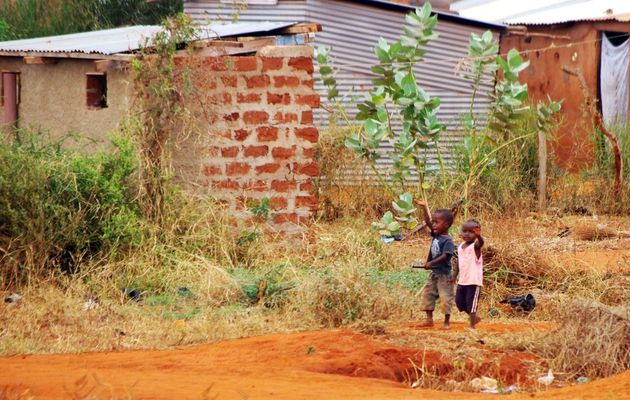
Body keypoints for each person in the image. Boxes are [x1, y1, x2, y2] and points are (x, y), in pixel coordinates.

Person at [412, 200, 456, 329]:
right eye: (434, 222)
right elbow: (427, 222)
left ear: (446, 224)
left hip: (444, 276)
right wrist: (425, 207)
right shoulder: (436, 234)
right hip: (434, 274)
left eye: (437, 222)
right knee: (428, 294)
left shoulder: (448, 241)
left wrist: (431, 262)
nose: (434, 225)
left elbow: (445, 256)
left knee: (445, 298)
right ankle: (429, 319)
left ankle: (446, 321)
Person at [454, 219, 484, 329]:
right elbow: (458, 262)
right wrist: (454, 275)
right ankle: (474, 318)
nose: (467, 234)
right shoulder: (461, 246)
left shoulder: (475, 247)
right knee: (459, 303)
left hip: (473, 281)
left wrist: (479, 236)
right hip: (462, 280)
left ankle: (472, 326)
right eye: (464, 231)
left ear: (476, 233)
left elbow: (481, 243)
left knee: (471, 305)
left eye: (471, 232)